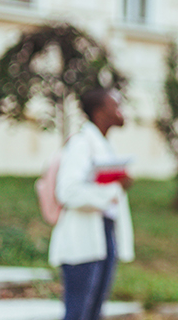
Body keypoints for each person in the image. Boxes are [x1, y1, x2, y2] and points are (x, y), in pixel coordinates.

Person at [49, 88, 135, 320]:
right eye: (115, 105)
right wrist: (115, 189)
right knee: (78, 313)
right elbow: (67, 192)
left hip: (104, 234)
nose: (121, 111)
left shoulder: (103, 145)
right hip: (82, 240)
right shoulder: (81, 144)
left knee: (94, 313)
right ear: (100, 113)